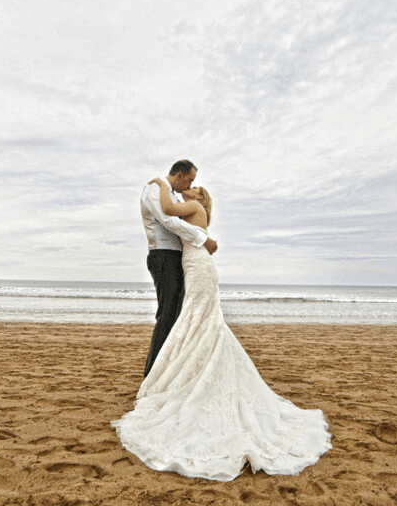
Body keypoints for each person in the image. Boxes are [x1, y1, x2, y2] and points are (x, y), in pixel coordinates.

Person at [113, 178, 331, 481]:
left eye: (194, 187)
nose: (189, 188)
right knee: (197, 320)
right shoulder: (194, 211)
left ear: (200, 197)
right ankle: (185, 370)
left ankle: (179, 373)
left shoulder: (192, 205)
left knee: (198, 318)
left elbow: (166, 209)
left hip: (198, 266)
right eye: (189, 184)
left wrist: (159, 183)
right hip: (195, 263)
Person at [139, 160, 218, 377]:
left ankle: (169, 370)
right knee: (167, 315)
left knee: (177, 315)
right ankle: (153, 373)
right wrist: (204, 239)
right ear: (180, 175)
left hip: (179, 259)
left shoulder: (174, 196)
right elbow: (169, 220)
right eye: (190, 180)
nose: (190, 185)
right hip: (164, 257)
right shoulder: (155, 189)